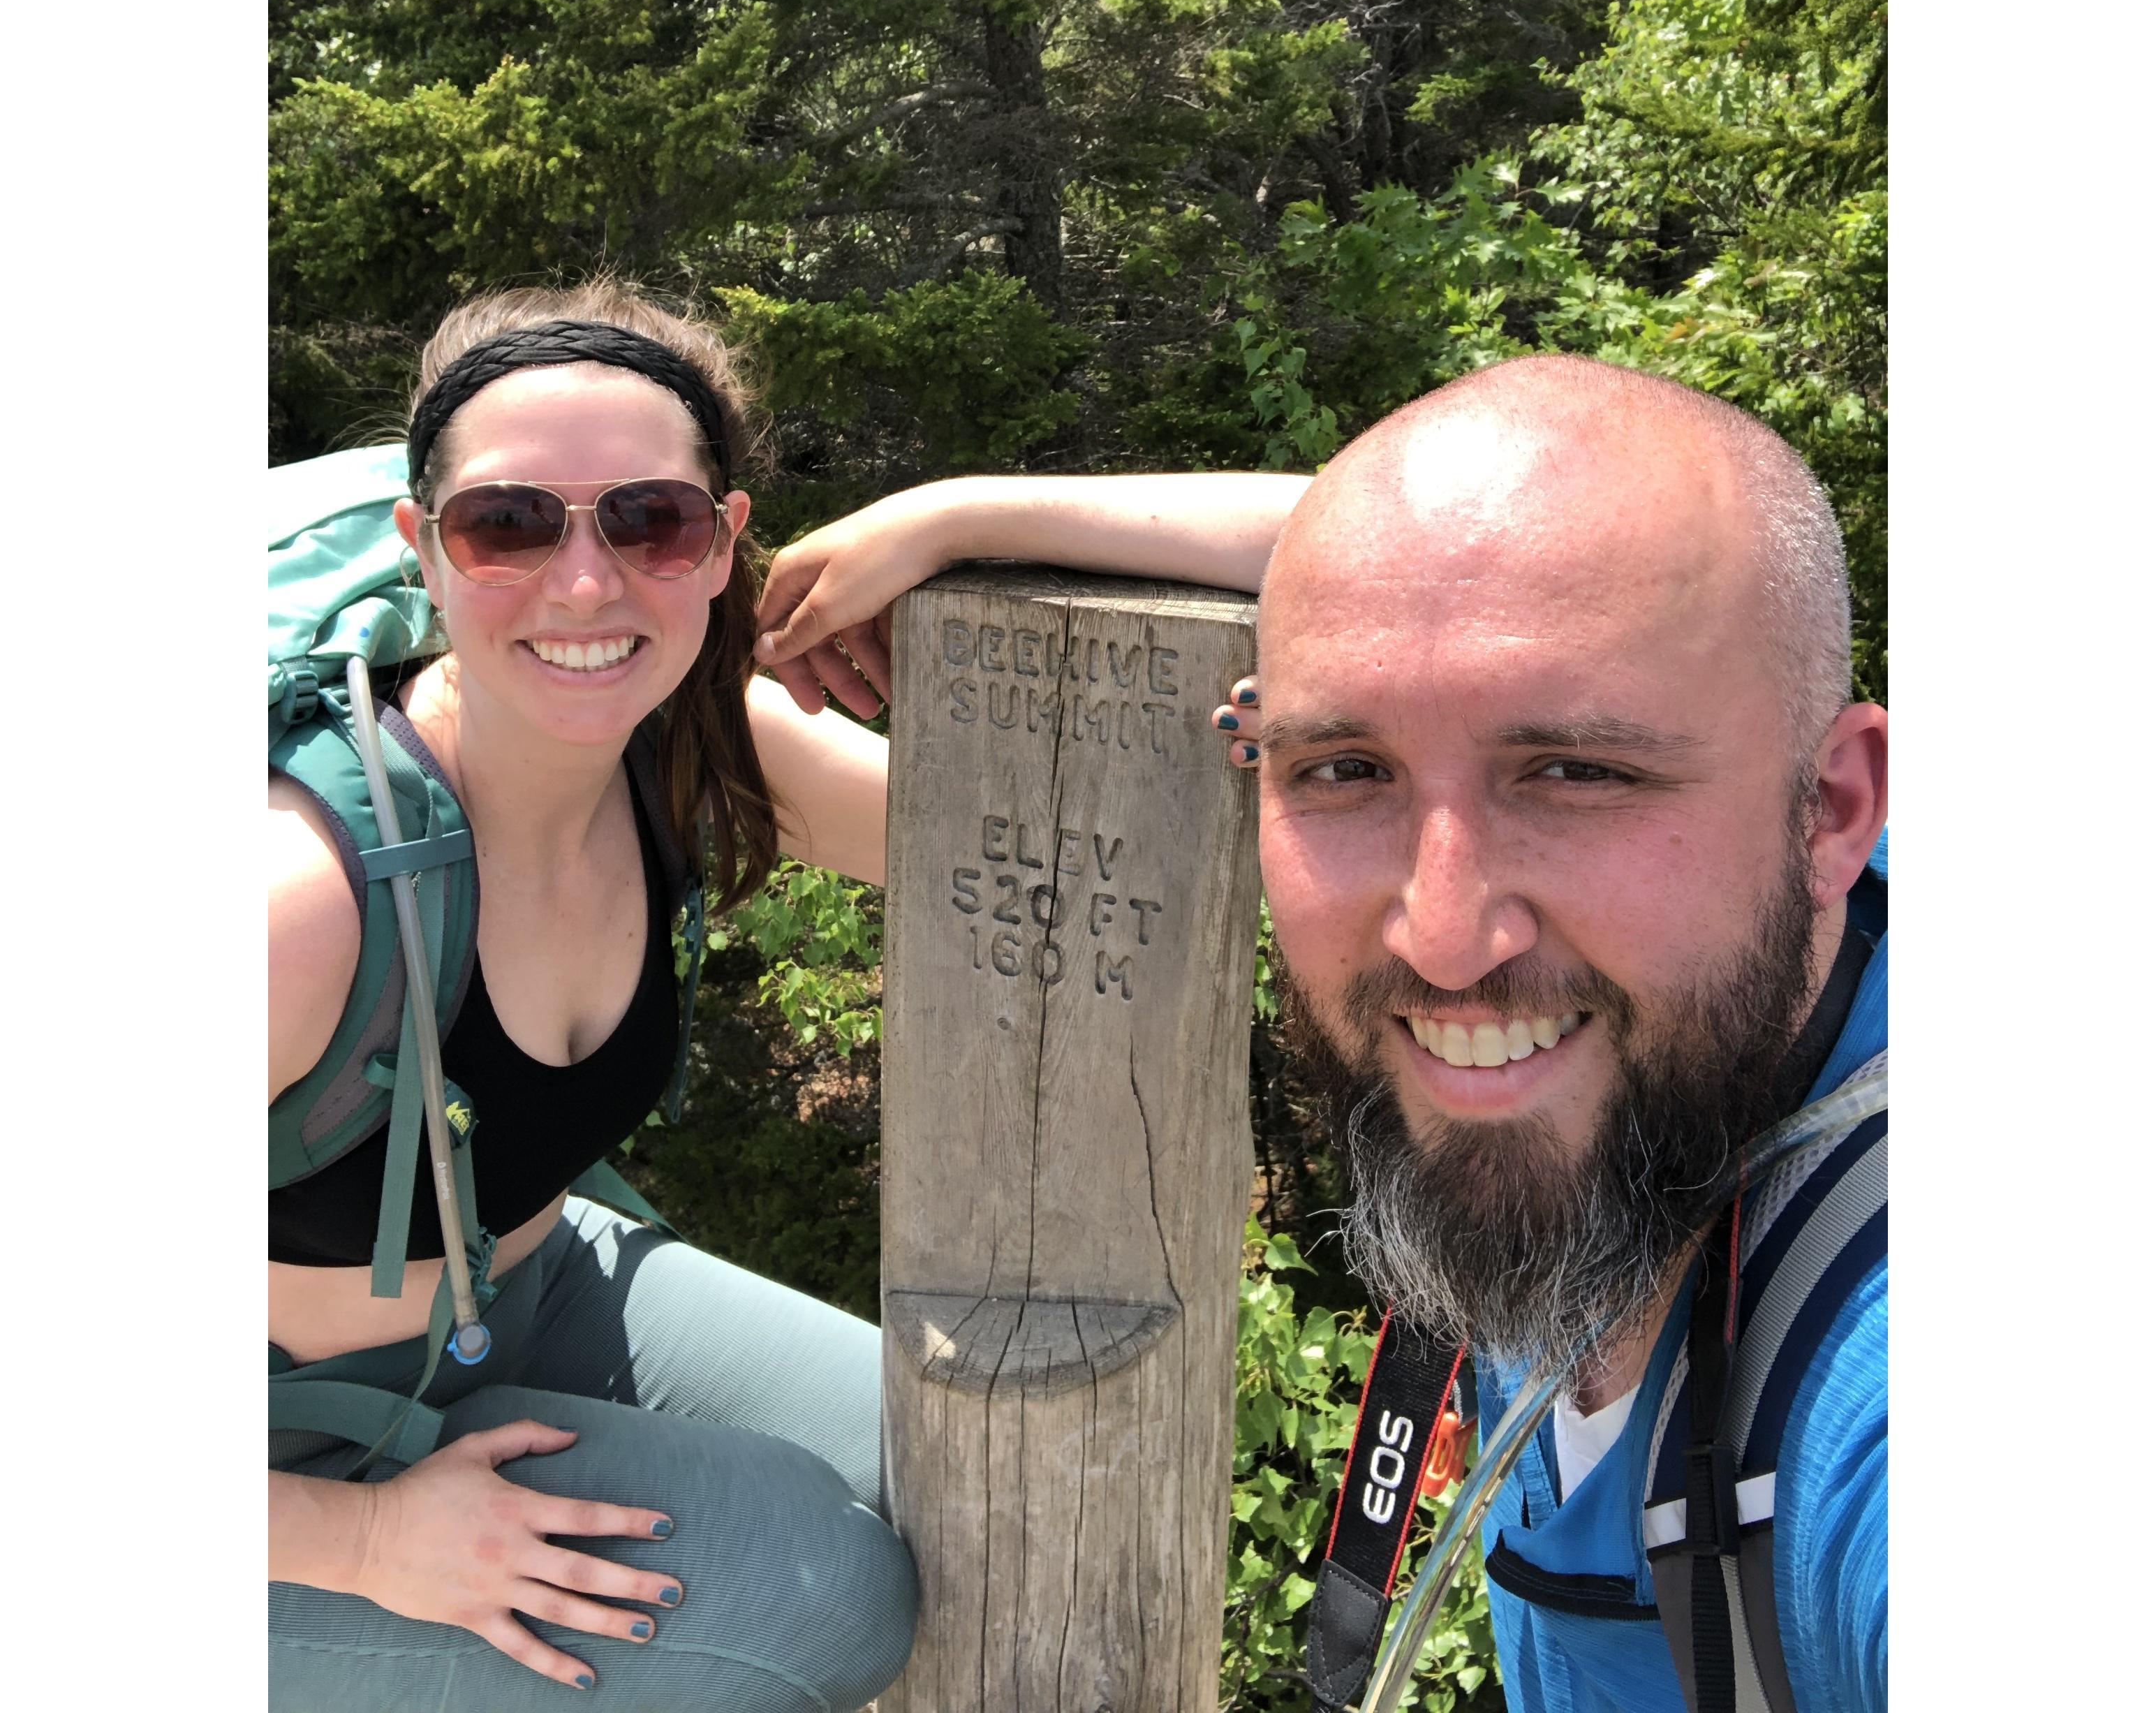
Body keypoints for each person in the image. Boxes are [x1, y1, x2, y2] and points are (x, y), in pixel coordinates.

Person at [758, 353, 1886, 1713]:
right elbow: (1432, 558)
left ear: (1828, 805)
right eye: (1343, 766)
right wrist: (952, 516)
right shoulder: (1706, 987)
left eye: (1575, 771)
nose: (1443, 931)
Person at [267, 280, 1297, 1707]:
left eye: (649, 521)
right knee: (814, 1594)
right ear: (421, 550)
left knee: (996, 1473)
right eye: (509, 523)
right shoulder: (297, 900)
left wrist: (952, 515)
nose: (584, 583)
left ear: (722, 543)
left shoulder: (681, 750)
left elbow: (1382, 545)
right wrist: (371, 1539)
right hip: (285, 1462)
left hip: (538, 1289)